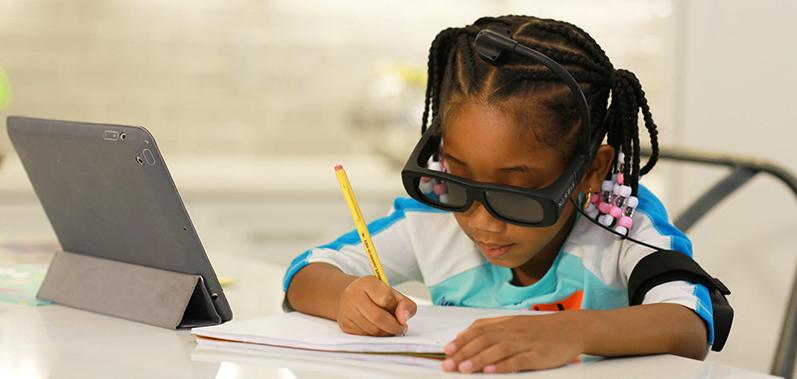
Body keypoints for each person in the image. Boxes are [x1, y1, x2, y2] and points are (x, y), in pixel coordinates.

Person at [284, 15, 715, 373]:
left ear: (590, 171)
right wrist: (346, 296)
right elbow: (307, 272)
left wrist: (572, 331)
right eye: (458, 177)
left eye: (516, 194)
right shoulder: (431, 217)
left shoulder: (622, 227)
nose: (481, 221)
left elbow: (689, 325)